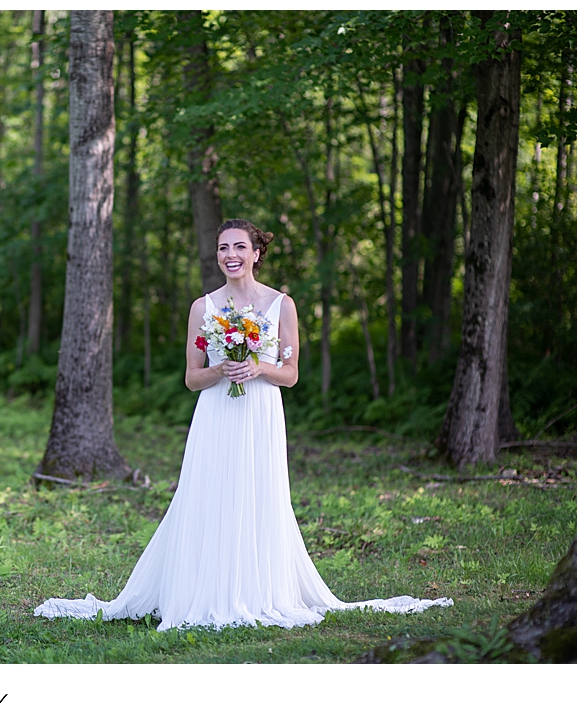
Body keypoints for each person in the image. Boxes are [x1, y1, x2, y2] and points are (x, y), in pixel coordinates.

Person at [35, 218, 452, 631]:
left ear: (256, 253)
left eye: (238, 247)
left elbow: (291, 373)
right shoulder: (205, 307)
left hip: (261, 413)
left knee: (258, 492)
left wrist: (258, 366)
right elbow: (191, 378)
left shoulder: (280, 304)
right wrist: (220, 370)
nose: (230, 255)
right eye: (222, 248)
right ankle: (205, 588)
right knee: (211, 493)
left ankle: (258, 590)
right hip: (217, 413)